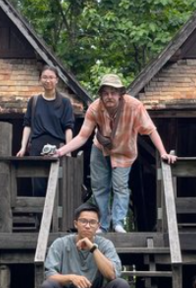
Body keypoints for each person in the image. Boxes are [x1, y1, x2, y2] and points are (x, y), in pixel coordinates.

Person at [53, 73, 176, 233]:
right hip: (100, 148)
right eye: (105, 93)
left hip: (124, 151)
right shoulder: (95, 108)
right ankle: (103, 225)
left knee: (120, 187)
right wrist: (60, 151)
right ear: (101, 95)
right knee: (99, 186)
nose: (109, 96)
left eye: (113, 92)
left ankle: (118, 222)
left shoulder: (134, 106)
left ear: (120, 94)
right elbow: (83, 136)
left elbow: (151, 130)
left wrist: (163, 153)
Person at [41, 202, 130, 288]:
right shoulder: (60, 244)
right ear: (76, 224)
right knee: (47, 287)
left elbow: (112, 275)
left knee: (121, 285)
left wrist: (93, 248)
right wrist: (71, 278)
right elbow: (49, 275)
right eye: (83, 221)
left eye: (92, 222)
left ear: (98, 226)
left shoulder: (105, 245)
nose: (88, 225)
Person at [16, 66, 75, 195]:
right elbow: (27, 125)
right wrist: (23, 147)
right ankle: (38, 215)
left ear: (57, 80)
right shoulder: (34, 101)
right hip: (36, 146)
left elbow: (68, 127)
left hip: (57, 146)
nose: (48, 80)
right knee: (38, 184)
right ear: (40, 79)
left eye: (51, 77)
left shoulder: (65, 102)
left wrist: (69, 149)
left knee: (56, 184)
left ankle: (54, 215)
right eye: (45, 77)